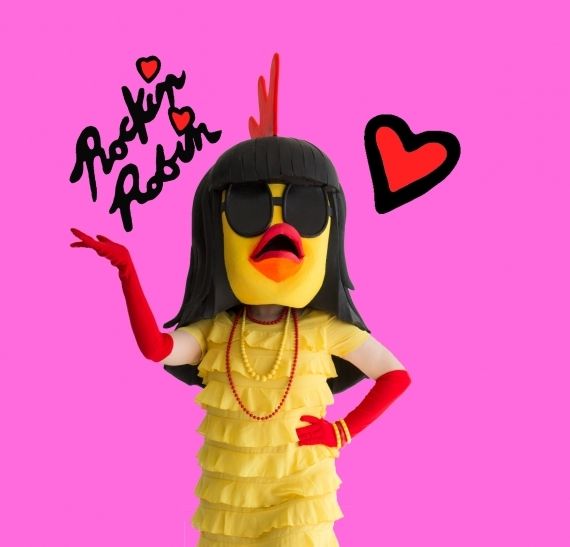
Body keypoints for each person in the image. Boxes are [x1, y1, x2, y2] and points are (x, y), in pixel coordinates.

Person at [71, 54, 411, 546]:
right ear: (216, 234)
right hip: (229, 501)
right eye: (249, 209)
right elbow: (157, 349)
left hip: (299, 490)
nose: (280, 226)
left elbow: (396, 376)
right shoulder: (217, 332)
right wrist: (128, 271)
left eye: (306, 209)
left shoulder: (322, 329)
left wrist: (341, 431)